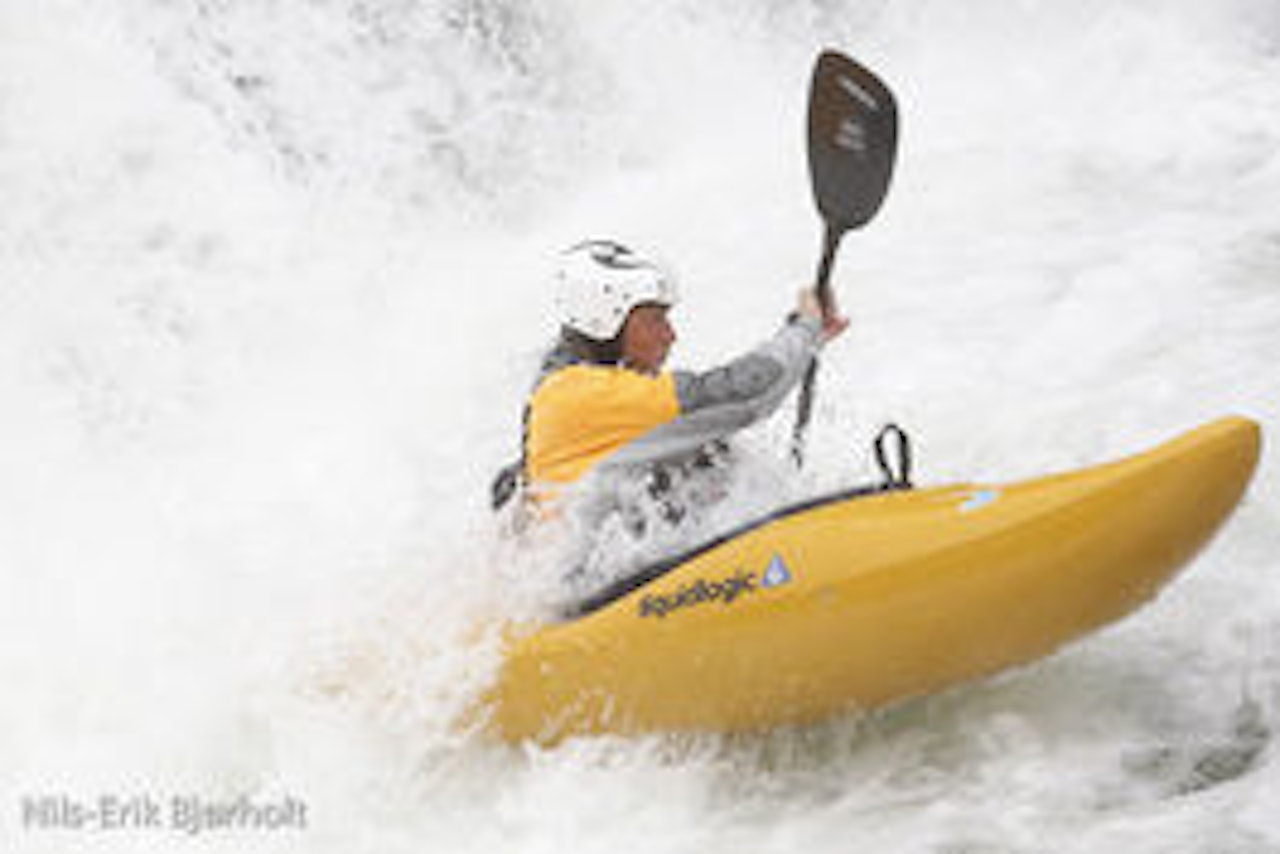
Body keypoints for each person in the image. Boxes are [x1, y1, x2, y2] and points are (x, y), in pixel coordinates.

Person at [493, 238, 849, 538]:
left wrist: (808, 336)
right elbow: (748, 391)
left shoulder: (563, 383)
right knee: (705, 453)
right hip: (596, 587)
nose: (670, 335)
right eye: (654, 320)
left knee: (703, 453)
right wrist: (805, 328)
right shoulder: (585, 394)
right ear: (607, 323)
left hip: (596, 572)